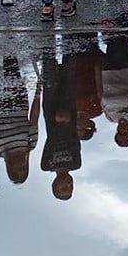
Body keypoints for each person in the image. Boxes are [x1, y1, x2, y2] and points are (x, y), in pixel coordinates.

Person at [0, 56, 41, 184]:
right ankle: (8, 38)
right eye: (24, 168)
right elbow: (34, 117)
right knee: (11, 66)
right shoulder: (30, 144)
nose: (20, 166)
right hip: (18, 102)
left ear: (10, 168)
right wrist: (38, 93)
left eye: (17, 169)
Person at [39, 47, 81, 201]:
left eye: (64, 187)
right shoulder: (76, 163)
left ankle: (46, 43)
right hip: (69, 114)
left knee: (49, 78)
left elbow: (49, 141)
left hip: (51, 115)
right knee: (68, 77)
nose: (69, 184)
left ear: (54, 184)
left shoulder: (46, 165)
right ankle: (70, 41)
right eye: (71, 187)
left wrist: (57, 122)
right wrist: (68, 120)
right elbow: (74, 140)